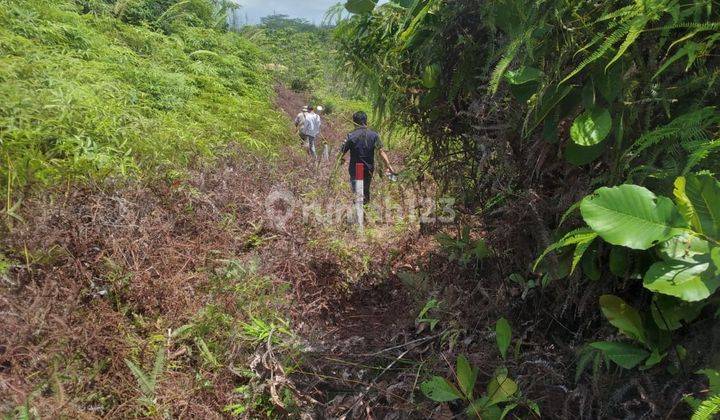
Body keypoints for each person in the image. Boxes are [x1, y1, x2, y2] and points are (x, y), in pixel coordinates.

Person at [338, 111, 395, 204]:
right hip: (368, 169)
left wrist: (341, 160)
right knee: (365, 191)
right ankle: (365, 213)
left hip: (356, 169)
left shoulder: (351, 136)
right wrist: (389, 166)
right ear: (366, 121)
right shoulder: (374, 135)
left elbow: (341, 153)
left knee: (357, 193)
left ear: (354, 122)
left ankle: (358, 213)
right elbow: (381, 152)